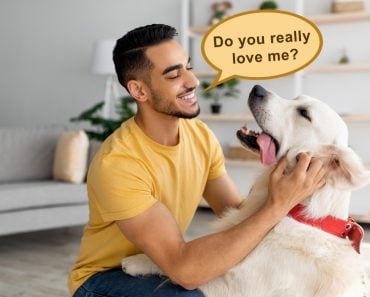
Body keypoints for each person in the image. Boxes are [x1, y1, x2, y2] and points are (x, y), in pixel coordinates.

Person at [69, 24, 327, 297]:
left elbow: (235, 213)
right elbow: (185, 271)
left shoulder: (199, 135)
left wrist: (288, 187)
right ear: (139, 91)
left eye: (188, 67)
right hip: (103, 280)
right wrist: (278, 204)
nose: (192, 81)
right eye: (173, 75)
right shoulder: (119, 163)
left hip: (162, 263)